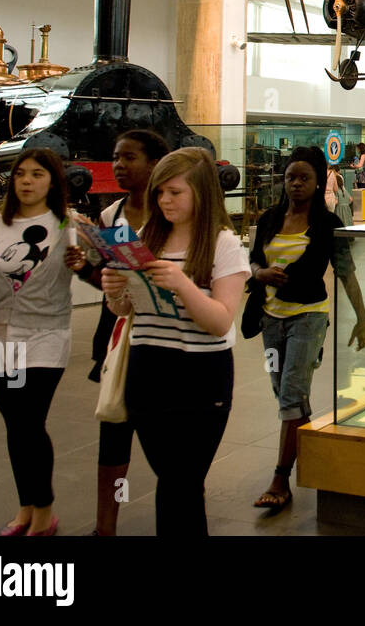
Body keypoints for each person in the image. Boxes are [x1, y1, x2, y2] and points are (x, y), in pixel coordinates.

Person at [100, 148, 250, 537]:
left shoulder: (224, 244)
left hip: (201, 379)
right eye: (159, 192)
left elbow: (220, 321)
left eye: (175, 192)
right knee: (173, 481)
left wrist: (182, 284)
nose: (164, 201)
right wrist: (114, 289)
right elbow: (125, 309)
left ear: (201, 193)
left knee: (180, 483)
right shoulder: (147, 239)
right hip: (148, 372)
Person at [0, 149, 87, 536]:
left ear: (53, 181)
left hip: (46, 334)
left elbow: (95, 269)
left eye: (37, 174)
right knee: (15, 426)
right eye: (20, 175)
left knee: (30, 423)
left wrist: (85, 264)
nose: (27, 181)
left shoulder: (69, 224)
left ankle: (44, 512)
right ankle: (26, 506)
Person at [248, 146, 365, 511]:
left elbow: (345, 271)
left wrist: (362, 317)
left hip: (309, 316)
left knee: (290, 393)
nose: (296, 184)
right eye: (291, 178)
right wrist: (260, 273)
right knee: (286, 394)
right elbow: (253, 259)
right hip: (271, 319)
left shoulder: (328, 225)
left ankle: (281, 478)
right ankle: (309, 444)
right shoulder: (269, 219)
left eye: (304, 178)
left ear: (319, 183)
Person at [79, 128, 169, 537]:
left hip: (162, 341)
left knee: (169, 449)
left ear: (154, 164)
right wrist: (83, 266)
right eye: (116, 156)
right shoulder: (109, 216)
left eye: (129, 157)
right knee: (112, 436)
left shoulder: (172, 215)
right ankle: (105, 527)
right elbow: (106, 281)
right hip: (117, 339)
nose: (119, 165)